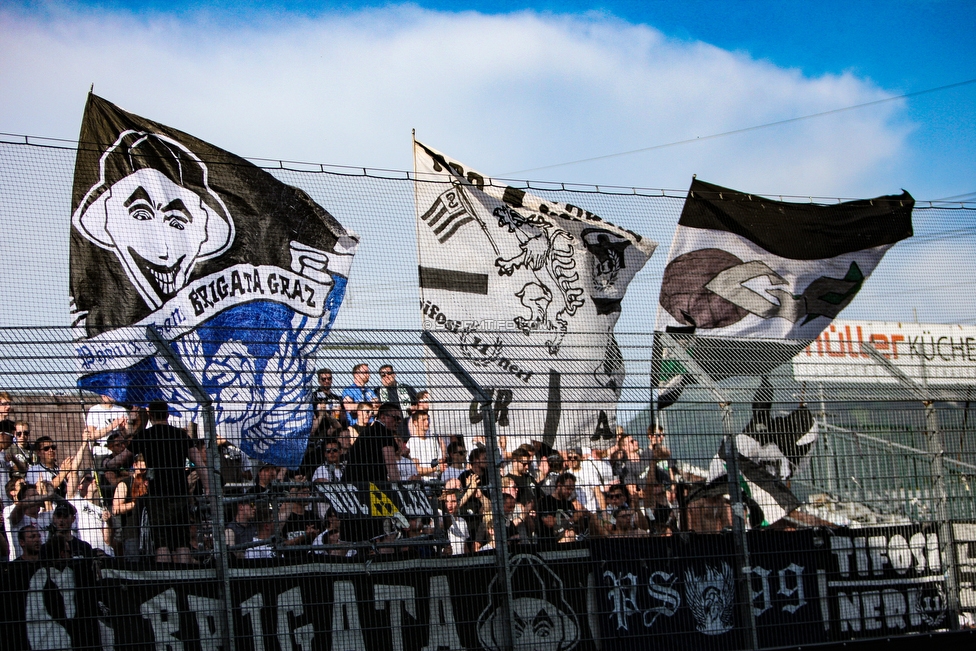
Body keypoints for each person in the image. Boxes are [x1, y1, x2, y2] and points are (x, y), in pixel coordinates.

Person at [71, 130, 235, 311]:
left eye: (177, 223)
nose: (164, 252)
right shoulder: (98, 309)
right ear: (107, 220)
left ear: (203, 232)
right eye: (141, 216)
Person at [128, 400, 199, 564]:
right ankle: (185, 582)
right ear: (167, 414)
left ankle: (166, 582)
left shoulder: (145, 435)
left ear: (150, 415)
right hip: (179, 491)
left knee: (162, 543)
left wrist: (108, 464)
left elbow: (123, 458)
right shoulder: (180, 435)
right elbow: (199, 463)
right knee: (182, 542)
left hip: (157, 492)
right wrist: (209, 487)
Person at [342, 402, 401, 542]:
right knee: (384, 537)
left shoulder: (367, 433)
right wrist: (399, 491)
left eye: (400, 419)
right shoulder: (384, 433)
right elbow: (392, 469)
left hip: (351, 491)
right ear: (383, 416)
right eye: (395, 418)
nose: (398, 422)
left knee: (348, 539)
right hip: (370, 492)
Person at [112, 454, 149, 559]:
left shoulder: (150, 482)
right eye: (141, 469)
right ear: (134, 466)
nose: (143, 472)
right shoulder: (124, 484)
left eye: (145, 470)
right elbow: (116, 509)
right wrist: (135, 503)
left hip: (150, 533)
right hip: (132, 533)